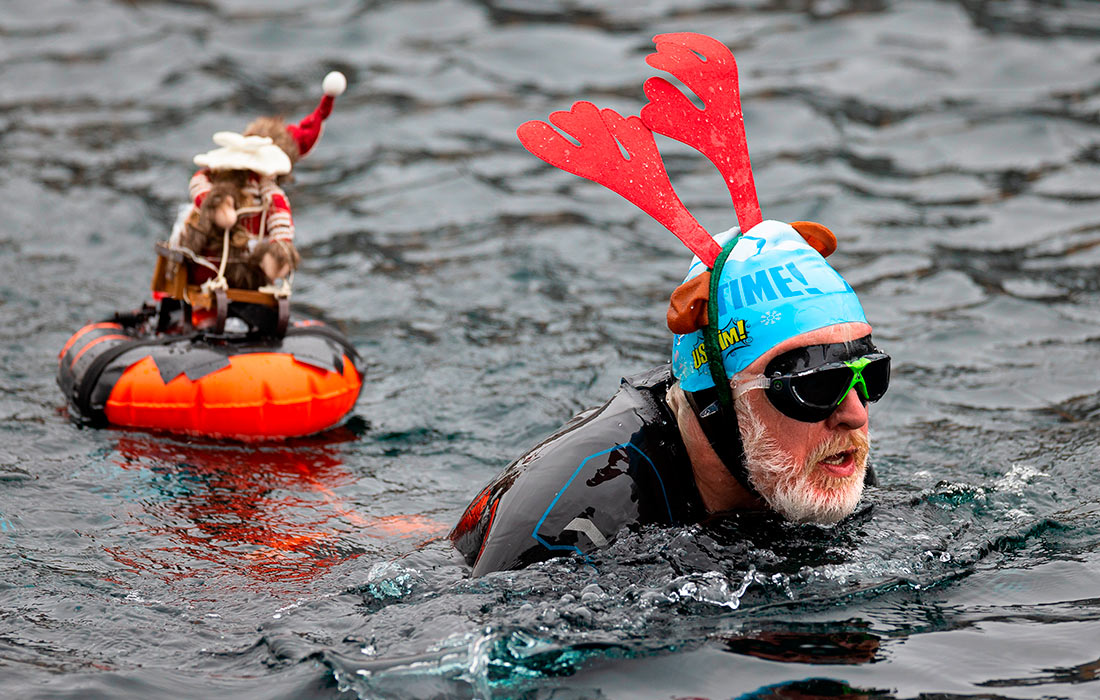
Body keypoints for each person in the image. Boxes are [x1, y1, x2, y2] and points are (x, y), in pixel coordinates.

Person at [450, 33, 890, 576]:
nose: (855, 412)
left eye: (869, 373)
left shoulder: (822, 454)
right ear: (717, 399)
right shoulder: (572, 519)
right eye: (812, 383)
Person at [175, 71, 347, 290]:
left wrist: (280, 248)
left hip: (249, 264)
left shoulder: (269, 194)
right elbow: (200, 181)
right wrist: (214, 202)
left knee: (262, 261)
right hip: (210, 259)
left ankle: (269, 268)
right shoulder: (219, 176)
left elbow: (280, 219)